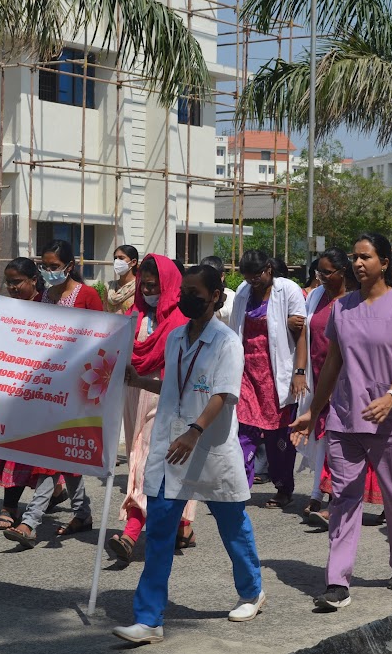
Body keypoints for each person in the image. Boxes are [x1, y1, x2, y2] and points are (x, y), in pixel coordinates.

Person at [113, 265, 264, 644]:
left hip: (209, 447)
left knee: (233, 526)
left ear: (215, 296)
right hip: (171, 450)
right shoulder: (176, 337)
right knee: (160, 533)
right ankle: (148, 620)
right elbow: (173, 387)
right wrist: (139, 381)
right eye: (184, 291)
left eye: (196, 292)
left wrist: (195, 432)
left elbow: (223, 394)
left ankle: (251, 591)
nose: (187, 298)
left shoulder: (227, 342)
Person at [291, 233, 392, 610]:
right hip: (345, 418)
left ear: (384, 262)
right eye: (354, 257)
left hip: (390, 419)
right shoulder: (341, 308)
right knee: (344, 497)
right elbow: (332, 363)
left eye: (365, 257)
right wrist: (313, 411)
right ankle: (337, 581)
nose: (358, 263)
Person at [3, 239, 101, 548]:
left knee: (50, 453)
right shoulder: (44, 296)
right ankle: (82, 512)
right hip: (47, 386)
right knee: (60, 450)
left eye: (54, 266)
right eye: (44, 266)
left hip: (77, 387)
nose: (48, 271)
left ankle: (30, 522)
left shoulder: (87, 295)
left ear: (70, 267)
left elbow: (104, 338)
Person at [111, 255, 190, 563]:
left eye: (154, 285)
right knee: (137, 452)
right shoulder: (133, 315)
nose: (148, 290)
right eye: (143, 284)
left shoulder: (182, 321)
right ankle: (181, 525)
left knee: (146, 460)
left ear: (168, 284)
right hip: (134, 394)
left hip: (164, 394)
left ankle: (132, 530)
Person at [0, 258, 67, 529]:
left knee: (21, 449)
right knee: (5, 445)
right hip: (8, 388)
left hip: (39, 390)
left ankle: (9, 507)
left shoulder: (49, 307)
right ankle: (56, 490)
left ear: (32, 280)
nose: (12, 287)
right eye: (8, 282)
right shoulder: (4, 308)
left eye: (17, 281)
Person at [229, 250, 307, 508]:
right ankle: (240, 488)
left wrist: (299, 372)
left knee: (279, 439)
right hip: (247, 375)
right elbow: (234, 332)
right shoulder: (243, 291)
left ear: (268, 270)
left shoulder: (289, 290)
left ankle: (284, 487)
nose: (252, 282)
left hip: (278, 377)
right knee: (244, 432)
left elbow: (301, 333)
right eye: (248, 278)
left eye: (256, 277)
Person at [295, 248, 352, 519]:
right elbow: (306, 331)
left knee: (336, 435)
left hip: (344, 378)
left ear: (342, 272)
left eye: (327, 273)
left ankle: (331, 496)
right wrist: (300, 370)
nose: (321, 278)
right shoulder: (316, 296)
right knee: (321, 435)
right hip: (317, 374)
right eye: (319, 272)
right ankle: (319, 491)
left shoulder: (354, 300)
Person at [201, 255, 235, 326]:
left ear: (222, 276)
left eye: (212, 277)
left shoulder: (233, 298)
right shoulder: (198, 296)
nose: (208, 282)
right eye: (205, 277)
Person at [108, 245, 139, 314]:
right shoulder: (109, 287)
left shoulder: (139, 287)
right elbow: (104, 313)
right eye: (115, 258)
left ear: (133, 262)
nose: (117, 261)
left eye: (121, 258)